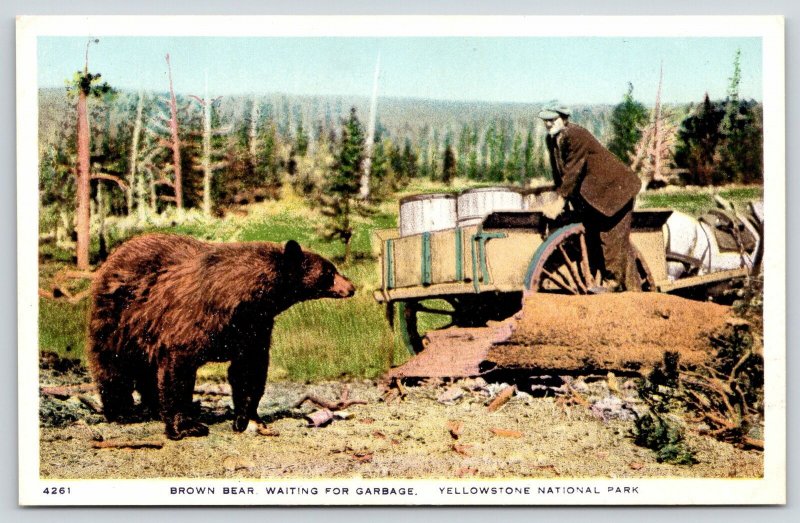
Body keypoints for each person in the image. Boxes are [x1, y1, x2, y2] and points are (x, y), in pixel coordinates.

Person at [538, 106, 643, 292]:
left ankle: (613, 283)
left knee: (611, 236)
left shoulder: (576, 135)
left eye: (552, 120)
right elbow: (559, 173)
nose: (548, 124)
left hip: (614, 191)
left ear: (564, 119)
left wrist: (560, 202)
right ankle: (635, 293)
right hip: (595, 196)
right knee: (608, 242)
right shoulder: (553, 139)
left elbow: (573, 170)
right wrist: (561, 197)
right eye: (545, 120)